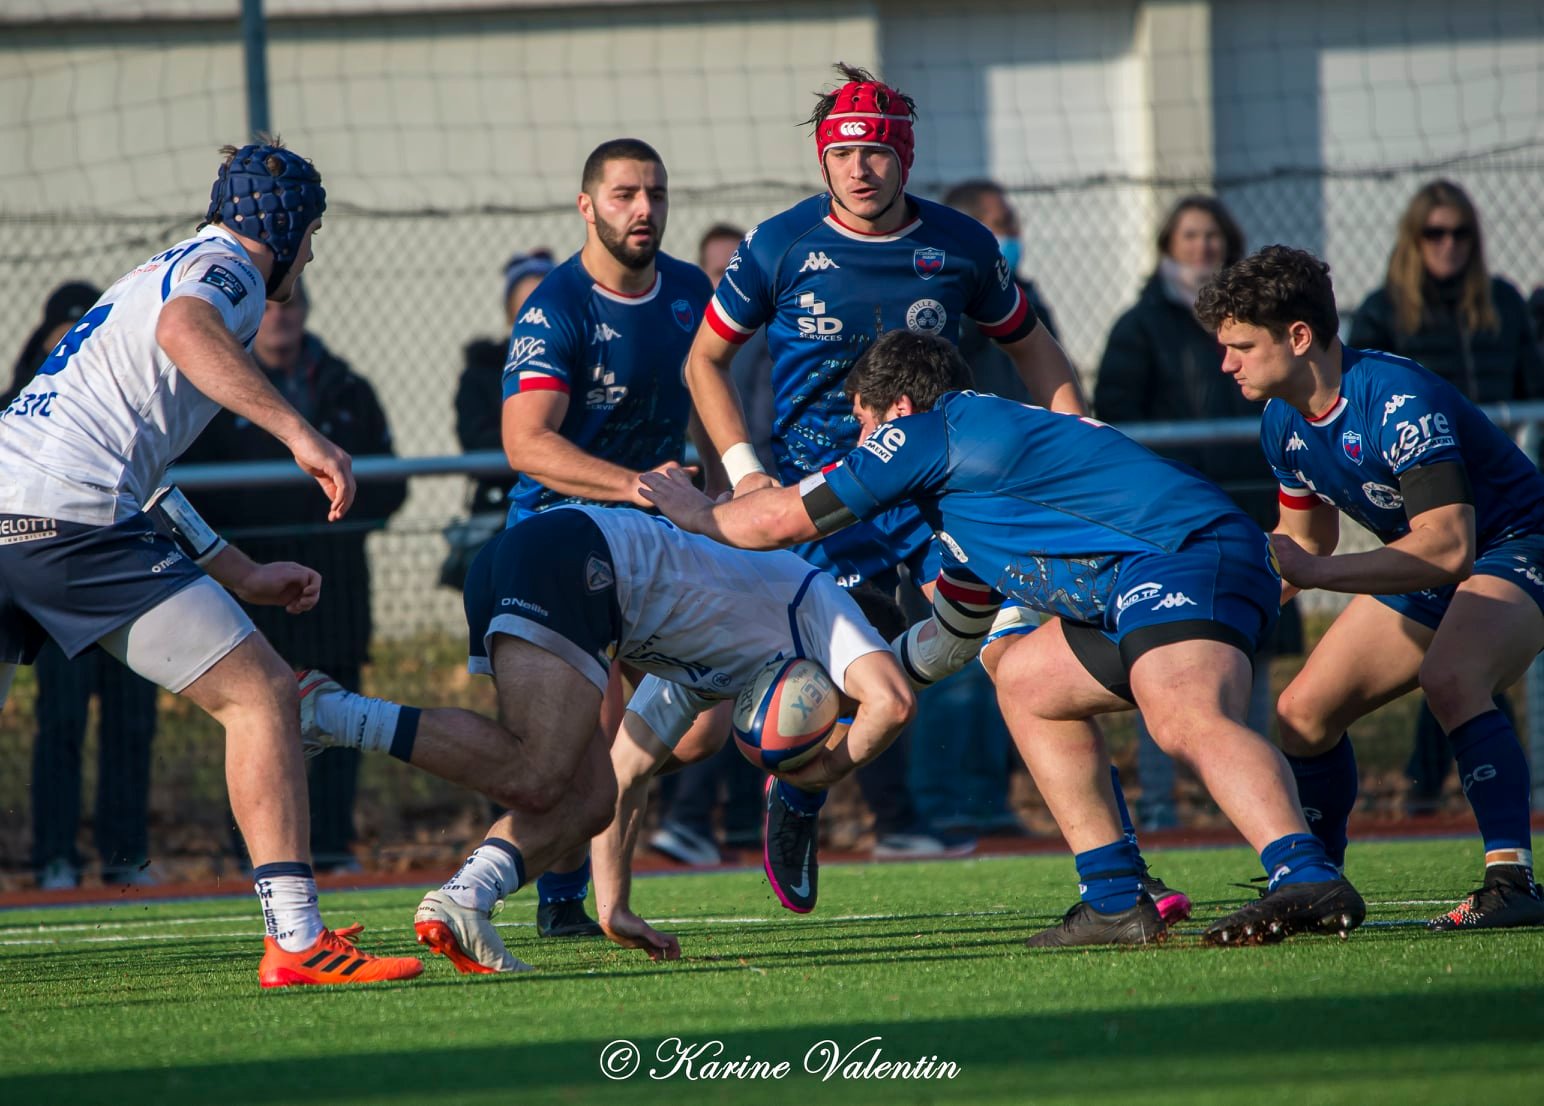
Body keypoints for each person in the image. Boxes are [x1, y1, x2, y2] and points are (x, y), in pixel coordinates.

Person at [641, 328, 1366, 948]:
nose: (862, 445)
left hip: (1188, 553)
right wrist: (842, 700)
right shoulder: (971, 509)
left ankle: (1304, 876)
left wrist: (695, 511)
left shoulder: (932, 429)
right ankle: (1114, 897)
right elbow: (949, 642)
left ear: (893, 411)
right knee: (1024, 678)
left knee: (1180, 714)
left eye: (862, 426)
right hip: (1168, 570)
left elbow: (775, 523)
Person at [683, 63, 1114, 908]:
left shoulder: (959, 246)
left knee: (993, 643)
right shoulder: (777, 245)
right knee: (841, 686)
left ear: (903, 158)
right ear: (822, 160)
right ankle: (786, 793)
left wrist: (1074, 432)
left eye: (877, 149)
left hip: (934, 489)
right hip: (824, 495)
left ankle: (1110, 875)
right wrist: (743, 470)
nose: (860, 167)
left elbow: (1033, 344)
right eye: (843, 152)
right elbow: (704, 359)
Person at [0, 141, 421, 985]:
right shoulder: (229, 271)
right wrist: (302, 432)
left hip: (17, 504)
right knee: (261, 693)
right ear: (286, 226)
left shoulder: (161, 268)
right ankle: (298, 941)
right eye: (313, 233)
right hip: (67, 521)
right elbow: (183, 330)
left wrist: (243, 575)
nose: (313, 253)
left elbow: (144, 477)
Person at [298, 505, 916, 971]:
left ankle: (465, 898)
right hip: (574, 560)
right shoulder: (825, 604)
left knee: (588, 794)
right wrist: (824, 771)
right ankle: (331, 713)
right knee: (539, 772)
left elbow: (626, 774)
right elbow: (891, 702)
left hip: (551, 563)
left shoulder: (727, 659)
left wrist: (614, 907)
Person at [1199, 244, 1544, 931]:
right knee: (1302, 713)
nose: (1226, 363)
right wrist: (1211, 617)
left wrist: (1317, 575)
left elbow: (1448, 545)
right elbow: (1306, 542)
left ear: (1299, 338)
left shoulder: (1394, 399)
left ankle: (1513, 883)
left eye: (1240, 345)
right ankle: (1315, 885)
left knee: (1452, 678)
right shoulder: (1281, 420)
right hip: (1436, 564)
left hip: (1517, 547)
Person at [496, 137, 717, 938]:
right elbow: (526, 443)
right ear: (586, 207)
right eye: (624, 194)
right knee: (583, 744)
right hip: (565, 539)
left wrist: (731, 485)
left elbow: (710, 400)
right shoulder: (557, 308)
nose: (644, 209)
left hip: (660, 533)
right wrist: (634, 484)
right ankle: (566, 904)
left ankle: (604, 873)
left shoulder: (691, 291)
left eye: (655, 193)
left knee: (699, 729)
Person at [180, 277, 407, 873]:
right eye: (273, 307)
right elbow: (199, 490)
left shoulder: (346, 387)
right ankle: (257, 857)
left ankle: (332, 846)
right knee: (256, 714)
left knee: (339, 714)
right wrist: (262, 532)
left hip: (335, 584)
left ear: (307, 309)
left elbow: (390, 483)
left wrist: (328, 514)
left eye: (292, 305)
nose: (282, 318)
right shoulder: (221, 391)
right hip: (252, 585)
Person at [1348, 180, 1544, 812]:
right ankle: (1413, 798)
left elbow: (1530, 386)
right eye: (1435, 233)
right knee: (1440, 675)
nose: (1450, 245)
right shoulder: (1385, 310)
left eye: (1461, 233)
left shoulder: (1503, 303)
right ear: (1414, 239)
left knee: (1460, 673)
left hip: (1507, 518)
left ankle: (1498, 847)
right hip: (1425, 508)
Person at [1094, 194, 1286, 829]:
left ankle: (1250, 802)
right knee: (1163, 662)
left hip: (1247, 505)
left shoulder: (1258, 327)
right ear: (1167, 246)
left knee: (1247, 654)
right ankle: (1158, 805)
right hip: (1170, 521)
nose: (1203, 247)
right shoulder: (1139, 326)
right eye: (1190, 236)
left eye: (1213, 236)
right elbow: (1117, 416)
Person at [7, 282, 161, 890]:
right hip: (49, 591)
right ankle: (54, 856)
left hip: (119, 576)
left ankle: (125, 854)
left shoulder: (123, 405)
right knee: (62, 722)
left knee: (131, 722)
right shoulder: (20, 409)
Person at [647, 224, 769, 866]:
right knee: (602, 743)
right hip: (667, 528)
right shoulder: (701, 346)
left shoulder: (765, 331)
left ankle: (745, 816)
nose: (727, 289)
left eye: (736, 274)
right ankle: (681, 822)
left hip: (754, 518)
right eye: (717, 274)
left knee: (719, 710)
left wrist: (740, 489)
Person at [443, 249, 556, 590]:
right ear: (511, 316)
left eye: (548, 307)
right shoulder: (481, 375)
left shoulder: (588, 369)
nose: (538, 319)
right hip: (503, 512)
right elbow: (477, 442)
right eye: (528, 309)